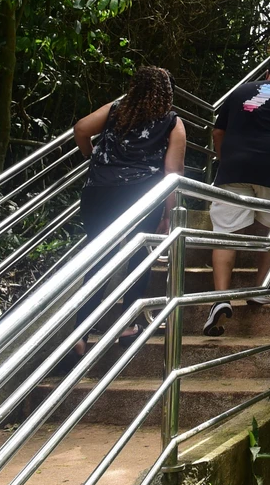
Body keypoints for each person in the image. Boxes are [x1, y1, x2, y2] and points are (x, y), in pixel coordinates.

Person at [72, 66, 187, 354]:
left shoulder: (116, 110)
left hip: (99, 191)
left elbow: (81, 129)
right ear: (167, 93)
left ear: (133, 87)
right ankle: (128, 324)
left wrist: (92, 156)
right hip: (142, 195)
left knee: (99, 256)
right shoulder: (172, 123)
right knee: (139, 253)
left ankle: (81, 330)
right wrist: (169, 212)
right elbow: (173, 172)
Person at [204, 58, 270, 336]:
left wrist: (223, 159)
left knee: (225, 233)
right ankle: (260, 289)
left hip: (233, 169)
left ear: (267, 74)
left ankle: (221, 297)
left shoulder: (240, 91)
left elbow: (218, 131)